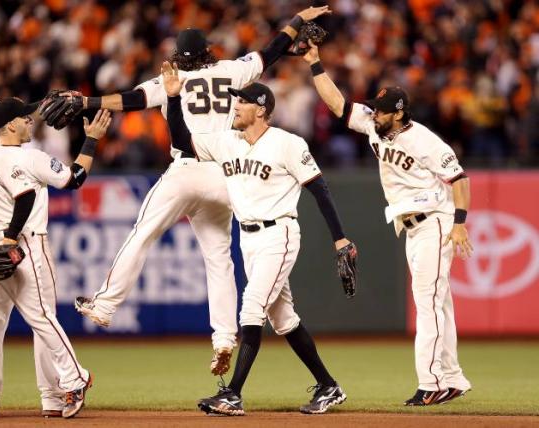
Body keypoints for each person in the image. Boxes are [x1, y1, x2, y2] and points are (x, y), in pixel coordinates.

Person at [66, 6, 332, 376]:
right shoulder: (232, 70)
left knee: (143, 233)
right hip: (226, 172)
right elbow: (273, 49)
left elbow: (129, 101)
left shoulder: (172, 79)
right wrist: (298, 20)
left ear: (178, 55)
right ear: (208, 51)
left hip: (187, 167)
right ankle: (223, 339)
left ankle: (106, 305)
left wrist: (86, 102)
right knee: (218, 258)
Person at [162, 61, 356, 415]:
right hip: (248, 239)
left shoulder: (287, 143)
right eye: (235, 100)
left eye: (242, 100)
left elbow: (320, 189)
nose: (235, 105)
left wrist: (340, 238)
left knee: (252, 307)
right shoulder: (226, 142)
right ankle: (329, 386)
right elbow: (181, 141)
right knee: (284, 319)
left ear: (262, 109)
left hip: (278, 234)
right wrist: (174, 100)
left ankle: (233, 393)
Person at [302, 42, 473, 405]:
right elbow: (338, 105)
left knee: (427, 302)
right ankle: (453, 378)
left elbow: (459, 179)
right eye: (374, 109)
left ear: (398, 113)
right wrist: (315, 63)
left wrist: (460, 223)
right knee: (439, 304)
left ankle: (432, 383)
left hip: (435, 221)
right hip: (411, 225)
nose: (373, 115)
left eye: (380, 111)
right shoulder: (375, 126)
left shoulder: (425, 140)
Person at [0, 95, 108, 418]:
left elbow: (28, 195)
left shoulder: (0, 155)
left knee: (39, 317)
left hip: (14, 243)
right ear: (12, 123)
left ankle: (73, 380)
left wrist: (9, 236)